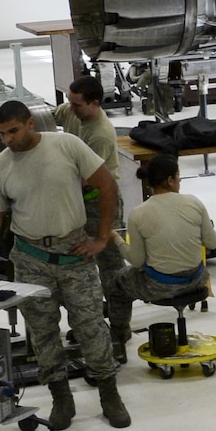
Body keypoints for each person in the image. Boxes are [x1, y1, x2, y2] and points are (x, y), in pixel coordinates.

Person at [0, 100, 130, 430]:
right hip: (30, 257)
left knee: (91, 327)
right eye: (3, 134)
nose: (8, 140)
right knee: (43, 334)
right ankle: (62, 399)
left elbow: (107, 185)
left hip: (74, 253)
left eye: (14, 131)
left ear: (30, 124)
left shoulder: (66, 145)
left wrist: (102, 237)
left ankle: (109, 394)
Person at [106, 156, 216, 362]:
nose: (180, 181)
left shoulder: (138, 213)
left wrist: (117, 239)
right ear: (169, 180)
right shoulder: (194, 202)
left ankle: (118, 339)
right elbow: (211, 243)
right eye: (179, 177)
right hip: (197, 281)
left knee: (116, 284)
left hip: (160, 286)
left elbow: (137, 262)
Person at [54, 74, 128, 289]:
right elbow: (45, 120)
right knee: (76, 257)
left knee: (111, 265)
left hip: (99, 200)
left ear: (95, 103)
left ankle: (120, 321)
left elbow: (86, 180)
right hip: (77, 198)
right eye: (70, 101)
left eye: (76, 104)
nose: (71, 108)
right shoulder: (71, 111)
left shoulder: (101, 135)